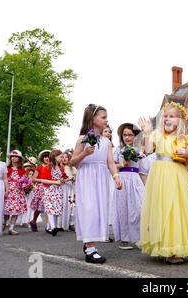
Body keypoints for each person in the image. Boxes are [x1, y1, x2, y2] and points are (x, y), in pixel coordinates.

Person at [138, 101, 188, 264]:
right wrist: (146, 133)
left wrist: (186, 153)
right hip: (160, 175)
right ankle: (162, 245)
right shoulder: (157, 135)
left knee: (176, 209)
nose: (167, 119)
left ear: (180, 120)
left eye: (172, 116)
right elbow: (146, 150)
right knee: (162, 207)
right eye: (165, 116)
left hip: (177, 174)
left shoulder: (184, 138)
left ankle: (175, 247)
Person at [71, 104, 122, 264]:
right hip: (86, 176)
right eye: (103, 117)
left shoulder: (106, 141)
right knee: (89, 209)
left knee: (99, 210)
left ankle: (89, 244)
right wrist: (84, 153)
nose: (106, 120)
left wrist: (115, 177)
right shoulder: (82, 139)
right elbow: (73, 162)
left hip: (101, 177)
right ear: (93, 119)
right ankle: (91, 248)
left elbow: (110, 162)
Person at [113, 122, 144, 250]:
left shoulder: (139, 150)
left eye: (130, 135)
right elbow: (111, 166)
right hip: (123, 179)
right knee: (123, 209)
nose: (127, 137)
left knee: (138, 208)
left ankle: (139, 238)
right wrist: (122, 163)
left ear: (135, 136)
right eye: (125, 135)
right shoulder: (117, 150)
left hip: (135, 179)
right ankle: (125, 239)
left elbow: (143, 169)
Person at [4, 150, 27, 235]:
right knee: (7, 209)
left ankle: (11, 228)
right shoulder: (7, 168)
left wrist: (24, 184)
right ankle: (4, 222)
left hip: (18, 192)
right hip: (9, 190)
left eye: (16, 156)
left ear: (19, 158)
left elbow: (24, 180)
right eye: (12, 156)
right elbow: (4, 179)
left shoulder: (22, 170)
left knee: (16, 210)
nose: (14, 158)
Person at [29, 150, 51, 232]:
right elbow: (33, 179)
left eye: (48, 156)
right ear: (42, 158)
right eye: (45, 157)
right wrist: (42, 180)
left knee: (49, 207)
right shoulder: (39, 167)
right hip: (41, 188)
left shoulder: (53, 167)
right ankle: (33, 221)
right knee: (39, 207)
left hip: (50, 188)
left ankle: (49, 225)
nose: (47, 158)